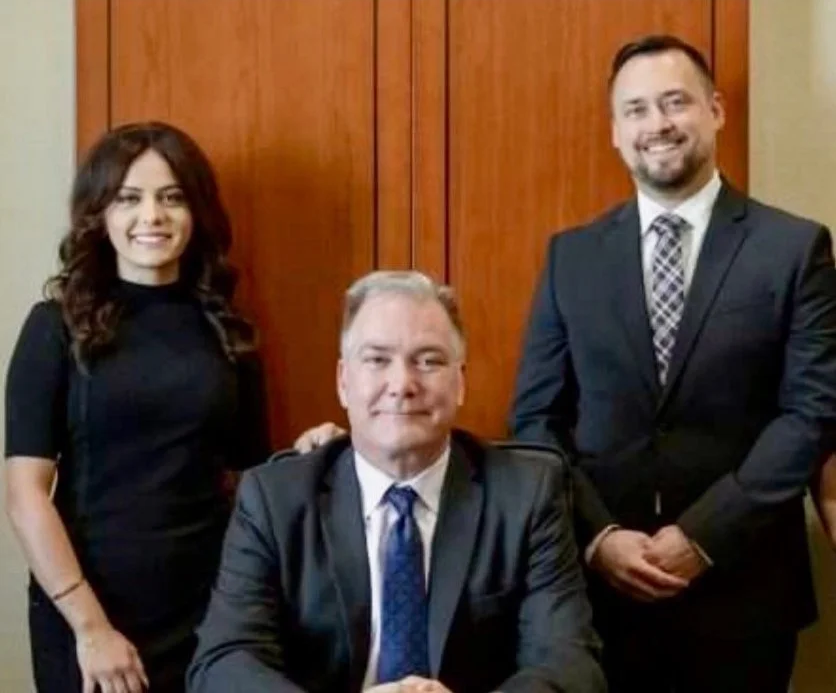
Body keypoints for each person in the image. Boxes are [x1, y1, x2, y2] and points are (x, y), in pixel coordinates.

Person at [510, 34, 836, 693]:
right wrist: (600, 537)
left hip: (744, 594)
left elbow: (812, 412)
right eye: (635, 110)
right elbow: (534, 421)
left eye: (673, 102)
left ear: (715, 110)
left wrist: (703, 535)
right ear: (614, 132)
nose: (656, 124)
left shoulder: (793, 249)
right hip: (600, 598)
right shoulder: (571, 257)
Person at [187, 270, 606, 693]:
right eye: (377, 360)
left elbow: (569, 662)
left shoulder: (526, 495)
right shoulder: (274, 499)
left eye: (429, 361)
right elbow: (226, 660)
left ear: (460, 382)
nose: (403, 384)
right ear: (343, 382)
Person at [4, 121, 271, 693]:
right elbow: (25, 494)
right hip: (85, 608)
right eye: (129, 198)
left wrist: (318, 452)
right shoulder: (54, 327)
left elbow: (255, 476)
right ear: (99, 213)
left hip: (209, 606)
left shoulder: (229, 332)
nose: (152, 216)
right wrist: (90, 627)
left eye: (171, 197)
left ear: (196, 211)